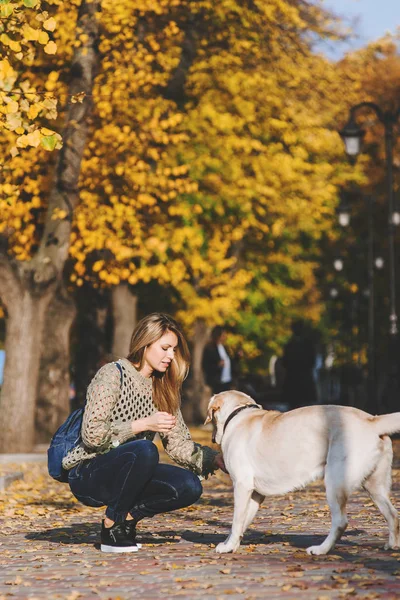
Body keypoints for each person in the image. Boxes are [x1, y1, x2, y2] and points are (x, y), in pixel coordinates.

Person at [63, 313, 225, 553]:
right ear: (145, 343)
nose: (171, 356)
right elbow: (92, 435)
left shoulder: (164, 387)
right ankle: (111, 525)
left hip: (133, 470)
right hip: (89, 472)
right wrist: (143, 424)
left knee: (189, 486)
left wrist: (216, 459)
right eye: (165, 348)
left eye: (174, 350)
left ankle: (127, 518)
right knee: (146, 449)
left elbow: (179, 444)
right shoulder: (112, 374)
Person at [281, 319, 317, 409]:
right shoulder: (292, 345)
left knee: (301, 405)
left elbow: (285, 362)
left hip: (298, 379)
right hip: (297, 380)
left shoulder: (292, 345)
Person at [202, 326, 238, 394]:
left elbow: (230, 363)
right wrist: (218, 365)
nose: (225, 336)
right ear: (218, 335)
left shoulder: (225, 347)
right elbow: (205, 366)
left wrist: (237, 357)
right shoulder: (210, 349)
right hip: (217, 383)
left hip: (227, 382)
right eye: (223, 335)